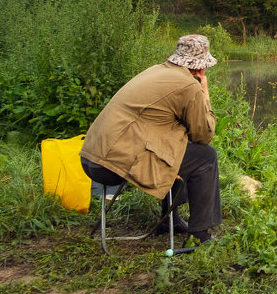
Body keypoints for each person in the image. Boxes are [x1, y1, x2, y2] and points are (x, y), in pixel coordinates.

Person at [80, 34, 221, 244]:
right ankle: (200, 233)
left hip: (92, 159)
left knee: (179, 148)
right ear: (201, 68)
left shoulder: (157, 70)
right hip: (112, 165)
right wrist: (204, 91)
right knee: (205, 157)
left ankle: (169, 220)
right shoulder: (188, 86)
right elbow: (204, 135)